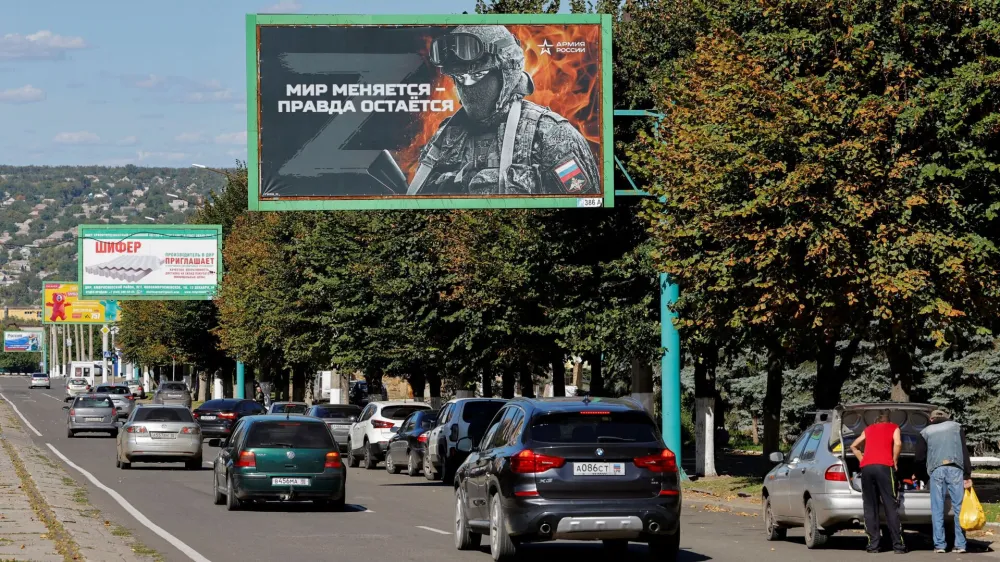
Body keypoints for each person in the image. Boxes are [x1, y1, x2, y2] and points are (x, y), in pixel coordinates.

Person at [409, 25, 601, 196]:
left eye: (478, 75)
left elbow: (584, 213)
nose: (467, 85)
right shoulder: (445, 138)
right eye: (460, 78)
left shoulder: (551, 135)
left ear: (507, 75)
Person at [915, 410, 973, 554]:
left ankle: (940, 545)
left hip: (937, 470)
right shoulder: (956, 427)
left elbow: (919, 457)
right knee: (959, 507)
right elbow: (964, 451)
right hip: (956, 469)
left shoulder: (925, 432)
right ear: (946, 417)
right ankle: (960, 545)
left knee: (937, 508)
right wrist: (967, 474)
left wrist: (923, 476)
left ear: (931, 418)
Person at [850, 409, 906, 554]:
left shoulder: (868, 429)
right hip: (885, 468)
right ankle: (898, 546)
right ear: (888, 419)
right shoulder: (894, 427)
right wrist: (894, 460)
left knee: (870, 506)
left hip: (867, 469)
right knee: (890, 505)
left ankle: (873, 546)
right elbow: (898, 444)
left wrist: (863, 461)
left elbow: (853, 446)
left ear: (877, 420)